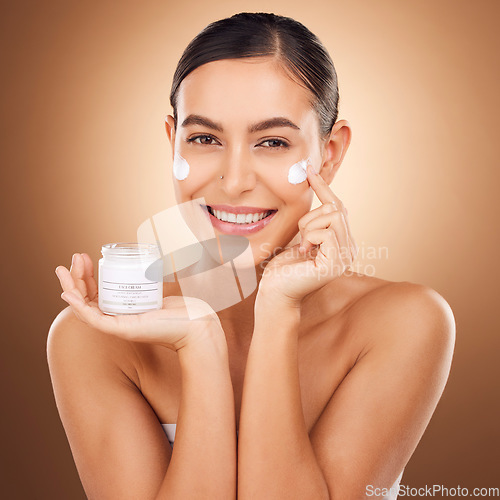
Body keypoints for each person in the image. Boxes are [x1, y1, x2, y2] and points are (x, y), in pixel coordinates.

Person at [47, 12, 455, 499]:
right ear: (171, 141)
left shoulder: (403, 323)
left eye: (273, 142)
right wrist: (197, 341)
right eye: (204, 139)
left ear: (330, 153)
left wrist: (279, 312)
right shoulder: (96, 337)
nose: (235, 179)